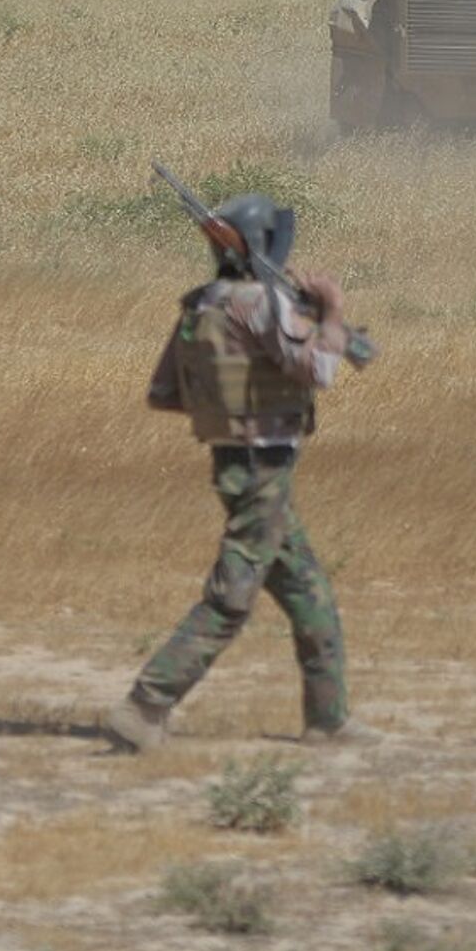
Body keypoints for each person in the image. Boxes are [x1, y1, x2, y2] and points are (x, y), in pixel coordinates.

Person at [103, 195, 370, 751]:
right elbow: (319, 370)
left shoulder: (201, 305)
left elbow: (163, 394)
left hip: (234, 463)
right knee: (232, 597)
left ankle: (329, 718)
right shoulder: (263, 303)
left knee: (309, 591)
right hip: (263, 467)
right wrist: (332, 314)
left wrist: (228, 403)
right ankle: (145, 705)